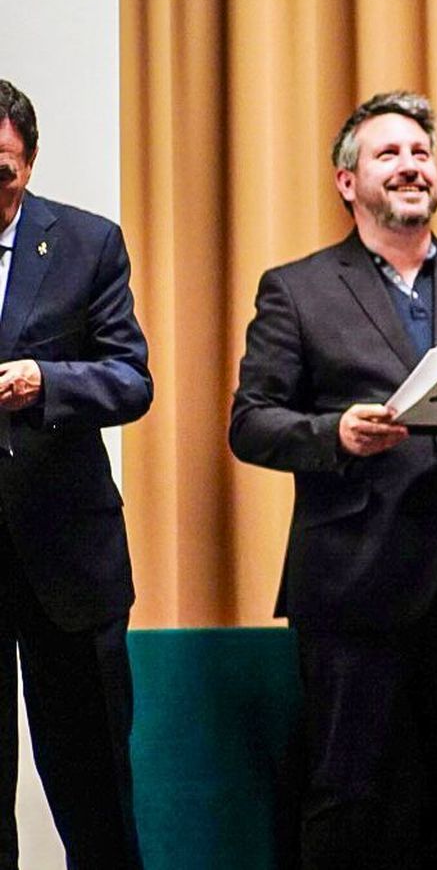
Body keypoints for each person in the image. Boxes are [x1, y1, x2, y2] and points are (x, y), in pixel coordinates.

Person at [229, 91, 437, 868]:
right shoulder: (298, 288)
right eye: (389, 153)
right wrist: (335, 434)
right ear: (347, 182)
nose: (411, 165)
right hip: (352, 588)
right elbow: (251, 422)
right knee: (349, 795)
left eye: (420, 152)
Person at [0, 79, 151, 867]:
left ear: (28, 163)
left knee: (93, 792)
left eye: (1, 170)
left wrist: (46, 381)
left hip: (67, 560)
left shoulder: (88, 243)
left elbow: (132, 378)